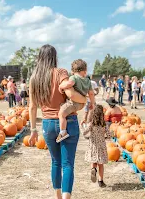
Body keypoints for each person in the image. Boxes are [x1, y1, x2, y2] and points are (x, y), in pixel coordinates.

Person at [28, 44, 86, 199]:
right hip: (67, 122)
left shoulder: (34, 78)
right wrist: (85, 100)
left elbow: (32, 107)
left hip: (47, 125)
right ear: (54, 57)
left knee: (55, 162)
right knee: (67, 164)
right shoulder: (60, 72)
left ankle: (57, 196)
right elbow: (71, 94)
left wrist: (33, 131)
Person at [57, 59, 95, 143]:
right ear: (85, 71)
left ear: (73, 71)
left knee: (61, 114)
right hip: (81, 104)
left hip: (73, 103)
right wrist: (92, 104)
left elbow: (68, 84)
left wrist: (60, 86)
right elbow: (91, 94)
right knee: (67, 110)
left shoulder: (74, 77)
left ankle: (63, 132)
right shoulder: (88, 81)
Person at [82, 105, 111, 188]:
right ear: (102, 114)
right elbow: (109, 135)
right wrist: (106, 136)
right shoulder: (104, 125)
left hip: (93, 146)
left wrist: (83, 125)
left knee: (93, 161)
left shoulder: (91, 124)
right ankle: (100, 181)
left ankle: (93, 169)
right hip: (101, 146)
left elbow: (84, 132)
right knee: (101, 164)